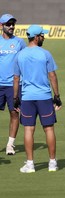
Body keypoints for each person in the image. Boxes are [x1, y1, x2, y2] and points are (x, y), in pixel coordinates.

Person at [13, 25, 62, 173]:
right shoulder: (45, 54)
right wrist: (57, 96)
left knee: (28, 129)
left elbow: (16, 78)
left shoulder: (20, 55)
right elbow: (52, 75)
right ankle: (52, 163)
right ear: (36, 37)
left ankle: (30, 164)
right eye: (42, 35)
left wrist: (16, 98)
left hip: (27, 97)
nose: (44, 37)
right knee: (49, 129)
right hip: (44, 97)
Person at [0, 14, 26, 155]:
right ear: (1, 26)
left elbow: (25, 62)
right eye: (8, 24)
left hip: (14, 85)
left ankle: (10, 145)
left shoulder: (20, 42)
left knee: (14, 113)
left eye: (13, 24)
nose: (11, 26)